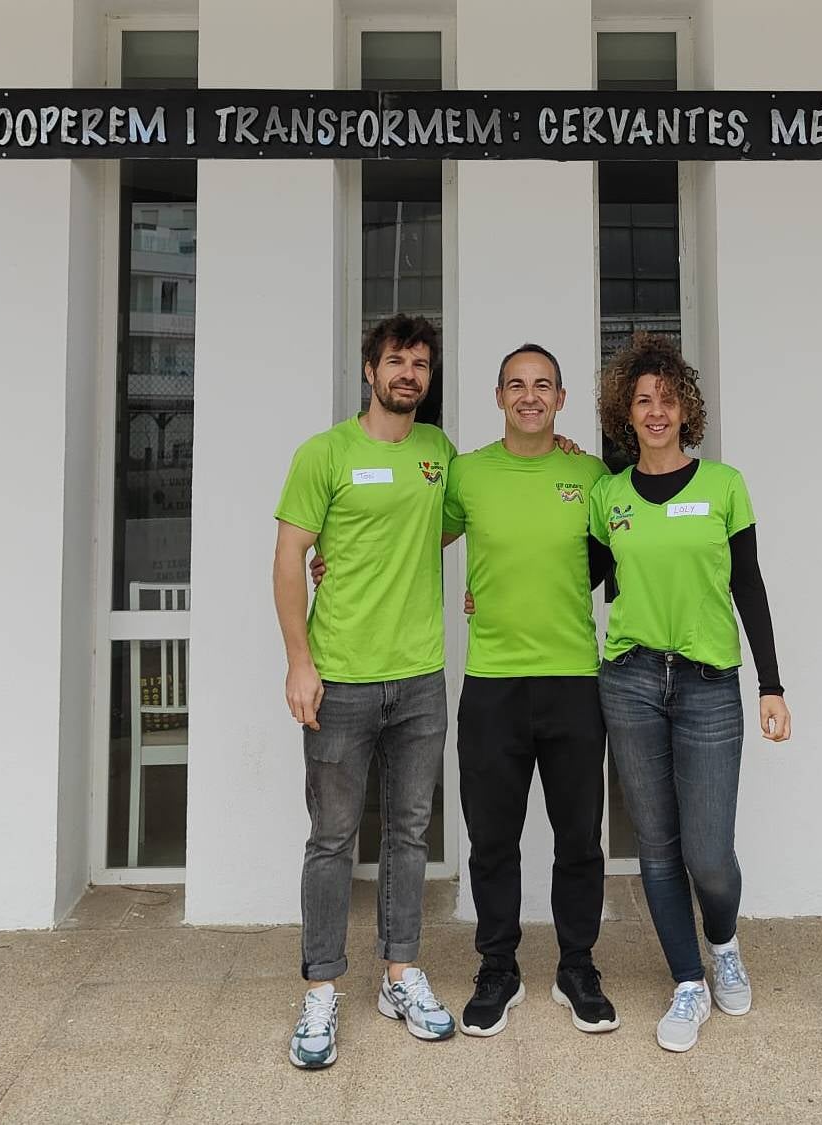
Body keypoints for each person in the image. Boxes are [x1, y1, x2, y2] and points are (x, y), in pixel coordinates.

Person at [588, 332, 792, 1053]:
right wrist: (488, 593)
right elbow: (571, 576)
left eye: (667, 398)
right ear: (625, 410)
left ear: (686, 409)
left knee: (709, 853)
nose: (655, 410)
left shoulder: (724, 486)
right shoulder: (607, 496)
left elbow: (749, 584)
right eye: (642, 399)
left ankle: (724, 938)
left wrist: (771, 682)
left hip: (708, 683)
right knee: (657, 846)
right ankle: (687, 982)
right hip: (632, 680)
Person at [272, 313, 458, 1069]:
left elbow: (445, 527)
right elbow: (290, 560)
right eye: (396, 361)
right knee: (333, 840)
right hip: (340, 676)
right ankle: (321, 986)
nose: (408, 373)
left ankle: (400, 973)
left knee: (410, 833)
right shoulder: (324, 453)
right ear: (369, 371)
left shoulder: (438, 452)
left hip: (419, 677)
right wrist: (298, 661)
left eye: (419, 363)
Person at [442, 344, 617, 1037]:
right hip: (491, 686)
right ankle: (498, 968)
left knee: (579, 838)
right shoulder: (468, 473)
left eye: (543, 384)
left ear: (561, 399)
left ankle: (577, 966)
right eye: (517, 383)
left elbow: (619, 560)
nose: (530, 394)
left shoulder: (591, 473)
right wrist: (337, 557)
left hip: (574, 680)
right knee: (492, 840)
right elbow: (416, 537)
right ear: (498, 395)